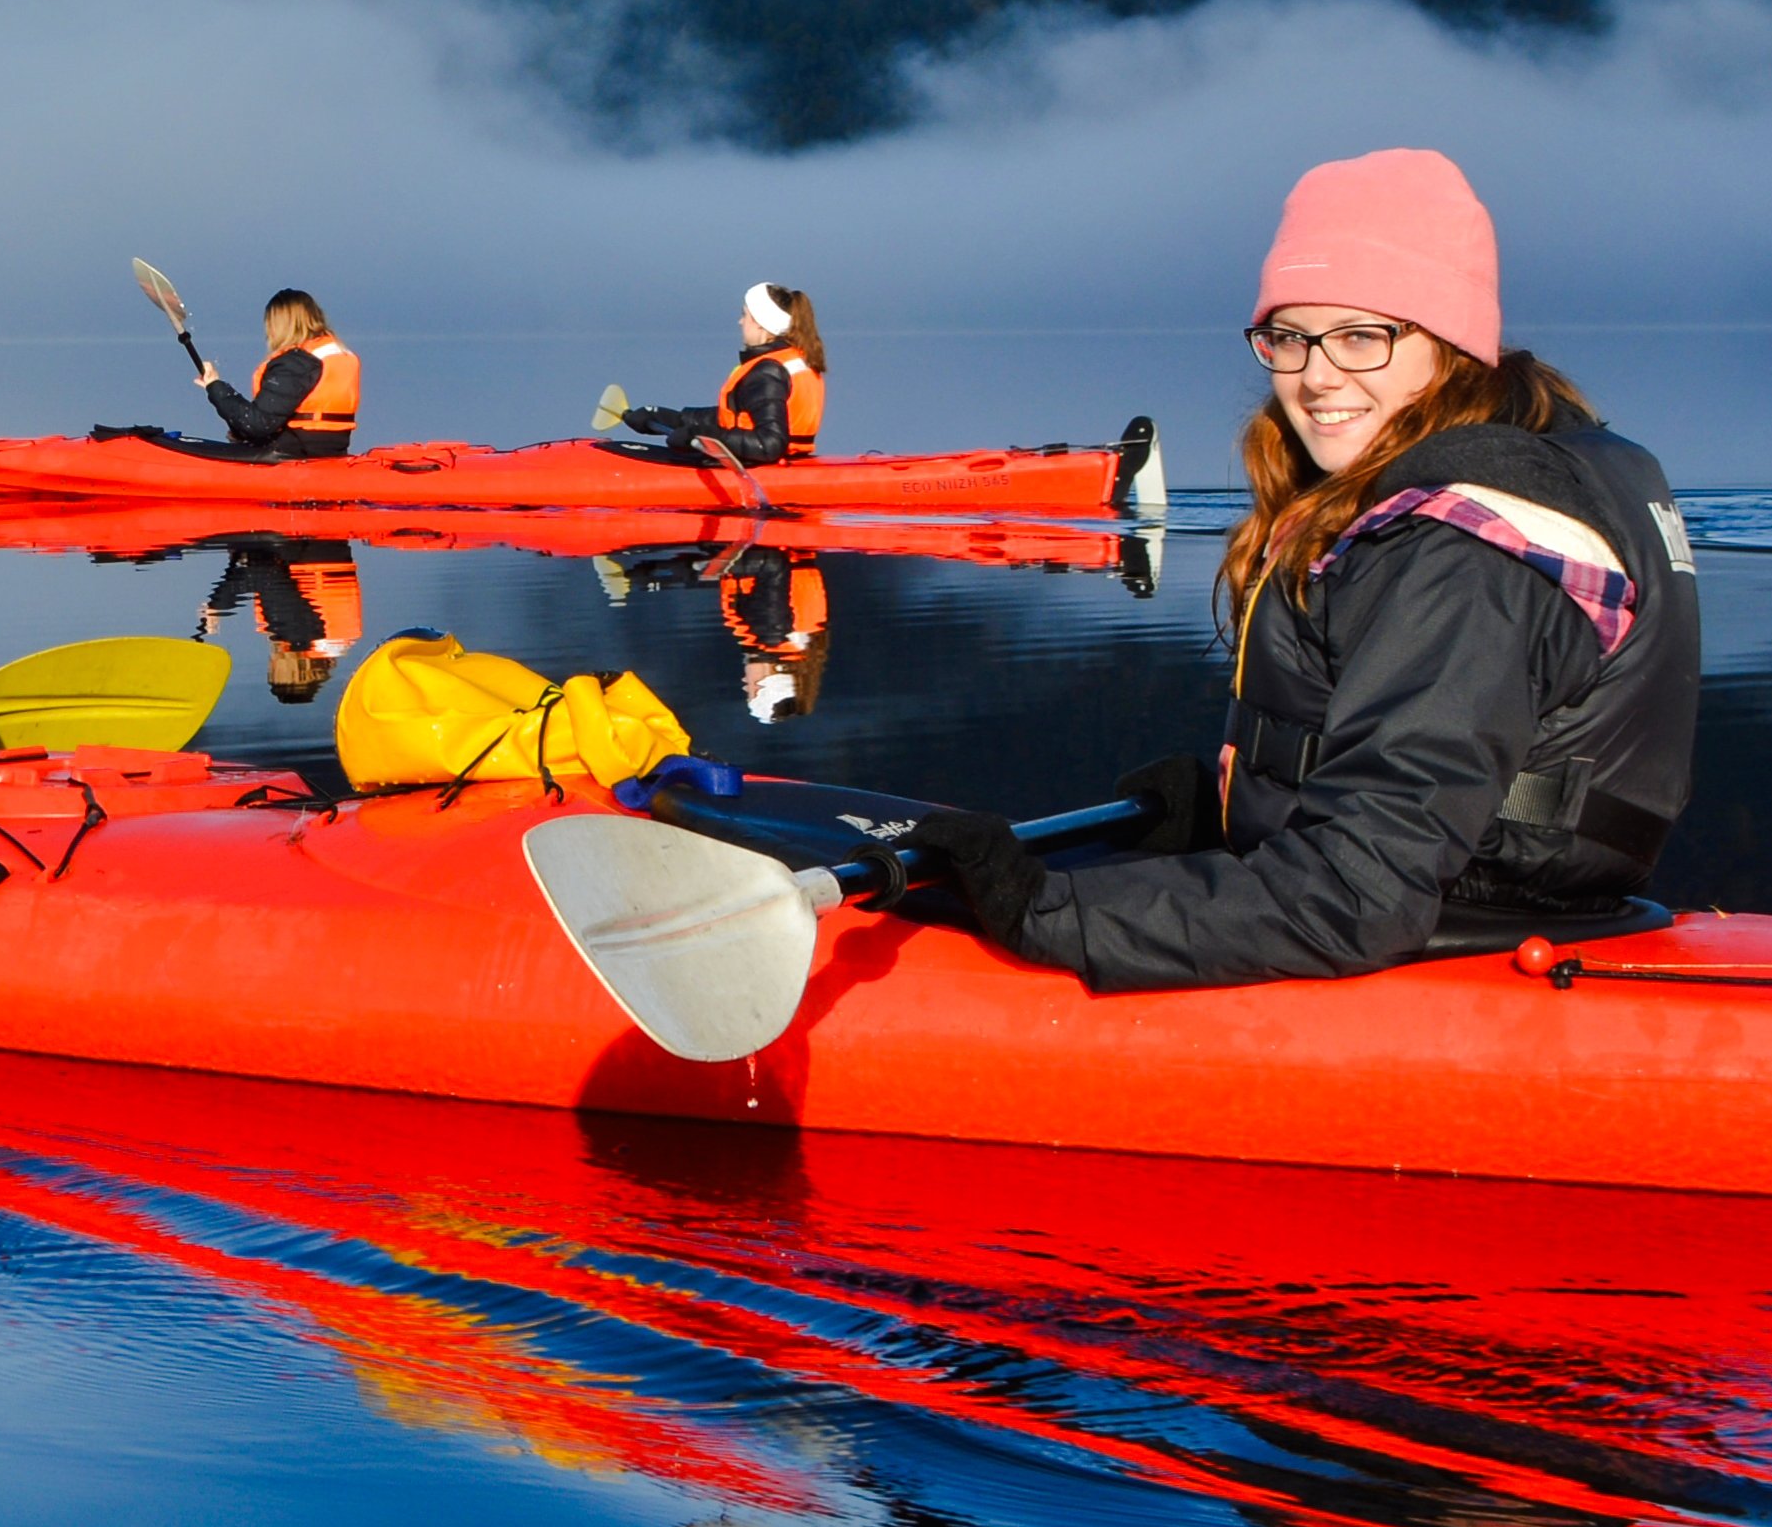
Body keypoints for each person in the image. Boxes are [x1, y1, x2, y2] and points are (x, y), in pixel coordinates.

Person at [894, 150, 1700, 985]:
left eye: (1362, 336)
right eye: (1289, 337)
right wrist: (1222, 806)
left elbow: (1361, 892)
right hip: (1512, 904)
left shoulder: (1462, 550)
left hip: (1452, 937)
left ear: (1451, 343)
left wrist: (1047, 915)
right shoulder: (1543, 459)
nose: (1316, 376)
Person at [599, 283, 826, 463]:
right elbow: (738, 418)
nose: (740, 322)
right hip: (785, 461)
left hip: (761, 465)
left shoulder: (768, 372)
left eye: (744, 315)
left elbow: (769, 445)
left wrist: (703, 438)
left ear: (760, 324)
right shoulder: (786, 361)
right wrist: (671, 418)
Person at [193, 288, 364, 455]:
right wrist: (239, 431)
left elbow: (257, 424)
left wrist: (215, 387)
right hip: (331, 450)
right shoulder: (335, 353)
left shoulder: (297, 364)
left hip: (295, 453)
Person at [203, 536, 369, 702]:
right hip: (299, 545)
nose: (271, 662)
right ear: (287, 671)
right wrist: (218, 606)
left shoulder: (341, 641)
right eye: (273, 669)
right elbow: (262, 574)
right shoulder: (299, 636)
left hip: (332, 545)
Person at [711, 541, 830, 724]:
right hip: (763, 541)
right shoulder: (772, 632)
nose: (744, 680)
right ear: (768, 677)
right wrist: (714, 566)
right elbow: (772, 564)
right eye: (750, 687)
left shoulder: (802, 642)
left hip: (783, 543)